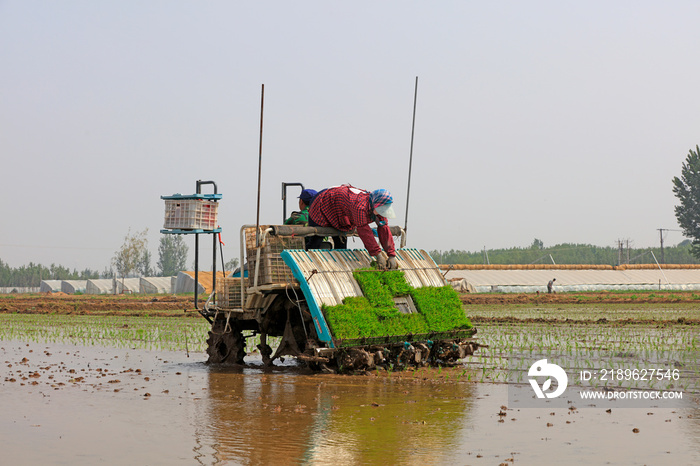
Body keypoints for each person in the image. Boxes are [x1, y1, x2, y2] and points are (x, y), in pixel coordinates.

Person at [308, 184, 398, 269]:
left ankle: (339, 269)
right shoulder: (360, 207)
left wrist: (391, 255)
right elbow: (365, 233)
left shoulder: (378, 208)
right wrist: (378, 255)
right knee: (316, 241)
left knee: (341, 246)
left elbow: (384, 229)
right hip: (323, 203)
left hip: (340, 214)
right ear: (374, 204)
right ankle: (308, 265)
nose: (382, 212)